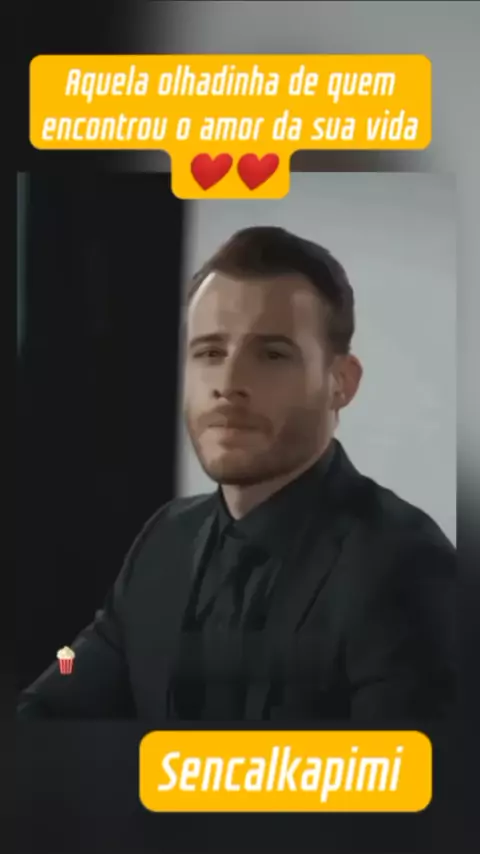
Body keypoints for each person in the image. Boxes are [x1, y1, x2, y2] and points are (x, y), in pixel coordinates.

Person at [17, 226, 455, 724]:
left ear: (341, 382)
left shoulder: (407, 565)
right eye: (210, 352)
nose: (228, 384)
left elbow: (407, 769)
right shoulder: (164, 540)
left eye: (272, 354)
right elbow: (68, 682)